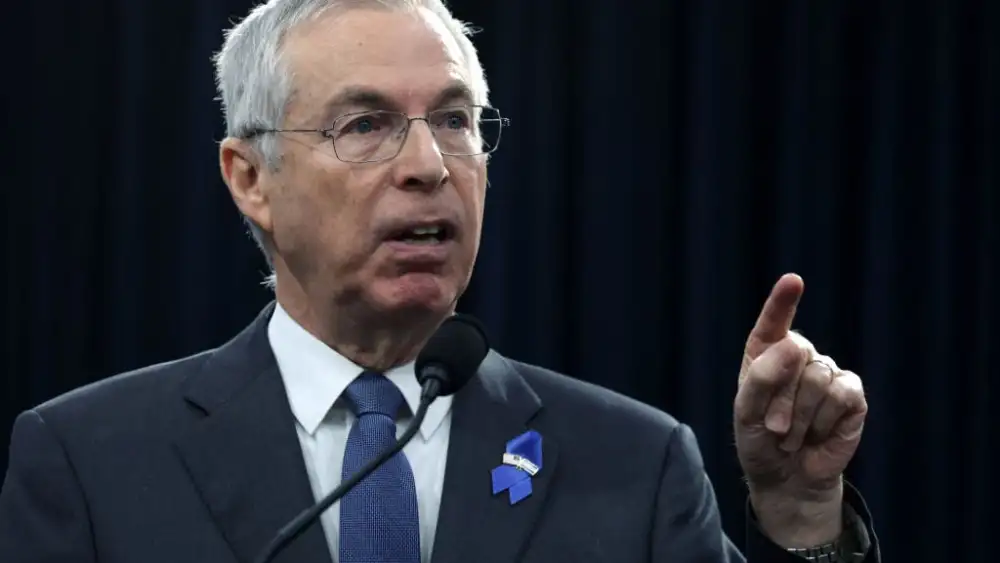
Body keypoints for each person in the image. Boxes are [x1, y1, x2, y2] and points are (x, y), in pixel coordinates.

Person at [0, 0, 881, 561]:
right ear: (251, 178)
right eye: (365, 124)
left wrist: (804, 515)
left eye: (456, 120)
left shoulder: (635, 463)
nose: (429, 163)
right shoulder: (88, 463)